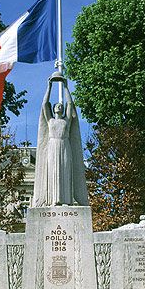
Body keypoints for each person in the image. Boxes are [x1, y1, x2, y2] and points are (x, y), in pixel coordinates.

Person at [33, 74, 89, 207]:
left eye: (60, 105)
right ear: (53, 109)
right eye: (57, 105)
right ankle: (54, 200)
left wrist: (65, 87)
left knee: (65, 171)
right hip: (52, 146)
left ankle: (66, 200)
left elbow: (70, 104)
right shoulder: (50, 120)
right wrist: (49, 86)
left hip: (65, 146)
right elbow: (44, 104)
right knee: (53, 172)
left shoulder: (66, 121)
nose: (59, 106)